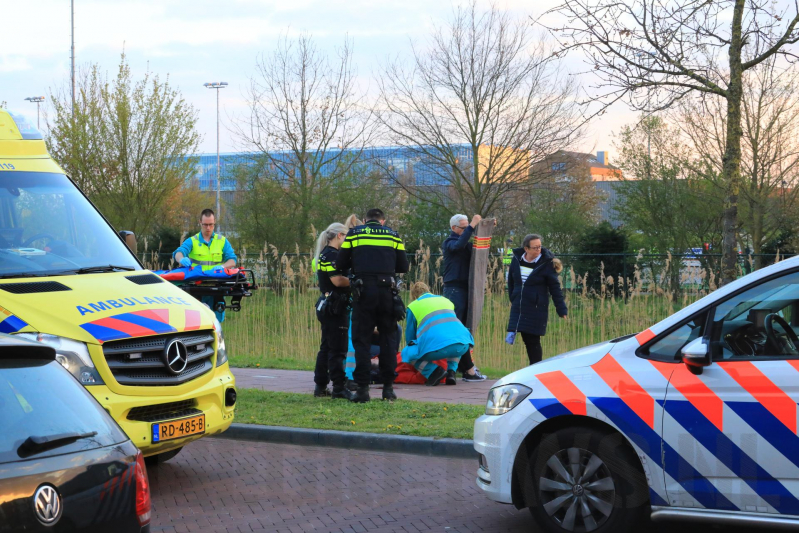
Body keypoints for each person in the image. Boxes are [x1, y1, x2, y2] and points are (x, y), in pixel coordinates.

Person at [337, 208, 409, 403]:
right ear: (382, 221)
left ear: (365, 220)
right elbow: (403, 267)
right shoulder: (394, 236)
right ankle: (388, 389)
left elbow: (340, 263)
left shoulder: (354, 234)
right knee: (388, 340)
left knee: (362, 340)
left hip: (363, 292)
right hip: (387, 293)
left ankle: (362, 390)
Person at [506, 234, 567, 366]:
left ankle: (536, 368)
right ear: (526, 249)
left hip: (536, 307)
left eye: (540, 247)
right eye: (535, 247)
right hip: (519, 306)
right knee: (525, 338)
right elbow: (511, 281)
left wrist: (561, 308)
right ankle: (533, 369)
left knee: (533, 339)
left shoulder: (546, 263)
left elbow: (555, 288)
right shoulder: (516, 259)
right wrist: (514, 297)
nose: (538, 250)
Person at [441, 214, 487, 383]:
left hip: (467, 289)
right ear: (453, 228)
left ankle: (460, 369)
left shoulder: (465, 243)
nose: (468, 229)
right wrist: (472, 226)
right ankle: (466, 369)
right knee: (457, 329)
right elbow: (458, 246)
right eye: (464, 227)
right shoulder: (449, 243)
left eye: (468, 226)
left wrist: (487, 227)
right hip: (454, 290)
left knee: (464, 329)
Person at [402, 282, 474, 386]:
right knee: (454, 340)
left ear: (413, 296)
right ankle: (451, 372)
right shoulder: (446, 300)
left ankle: (434, 371)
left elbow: (410, 338)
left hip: (436, 349)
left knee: (407, 352)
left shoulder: (413, 306)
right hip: (463, 345)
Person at [312, 223, 353, 400]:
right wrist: (355, 281)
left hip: (327, 305)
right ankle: (338, 387)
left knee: (327, 347)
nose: (347, 240)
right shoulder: (332, 255)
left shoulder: (325, 254)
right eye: (346, 236)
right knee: (338, 348)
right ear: (339, 236)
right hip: (335, 307)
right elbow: (337, 280)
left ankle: (321, 385)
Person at [173, 208, 237, 322]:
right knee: (196, 321)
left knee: (216, 321)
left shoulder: (222, 241)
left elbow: (232, 260)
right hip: (197, 287)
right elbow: (178, 252)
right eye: (205, 225)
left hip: (216, 286)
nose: (208, 228)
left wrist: (223, 267)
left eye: (211, 225)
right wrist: (181, 259)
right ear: (200, 222)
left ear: (214, 222)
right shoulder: (192, 241)